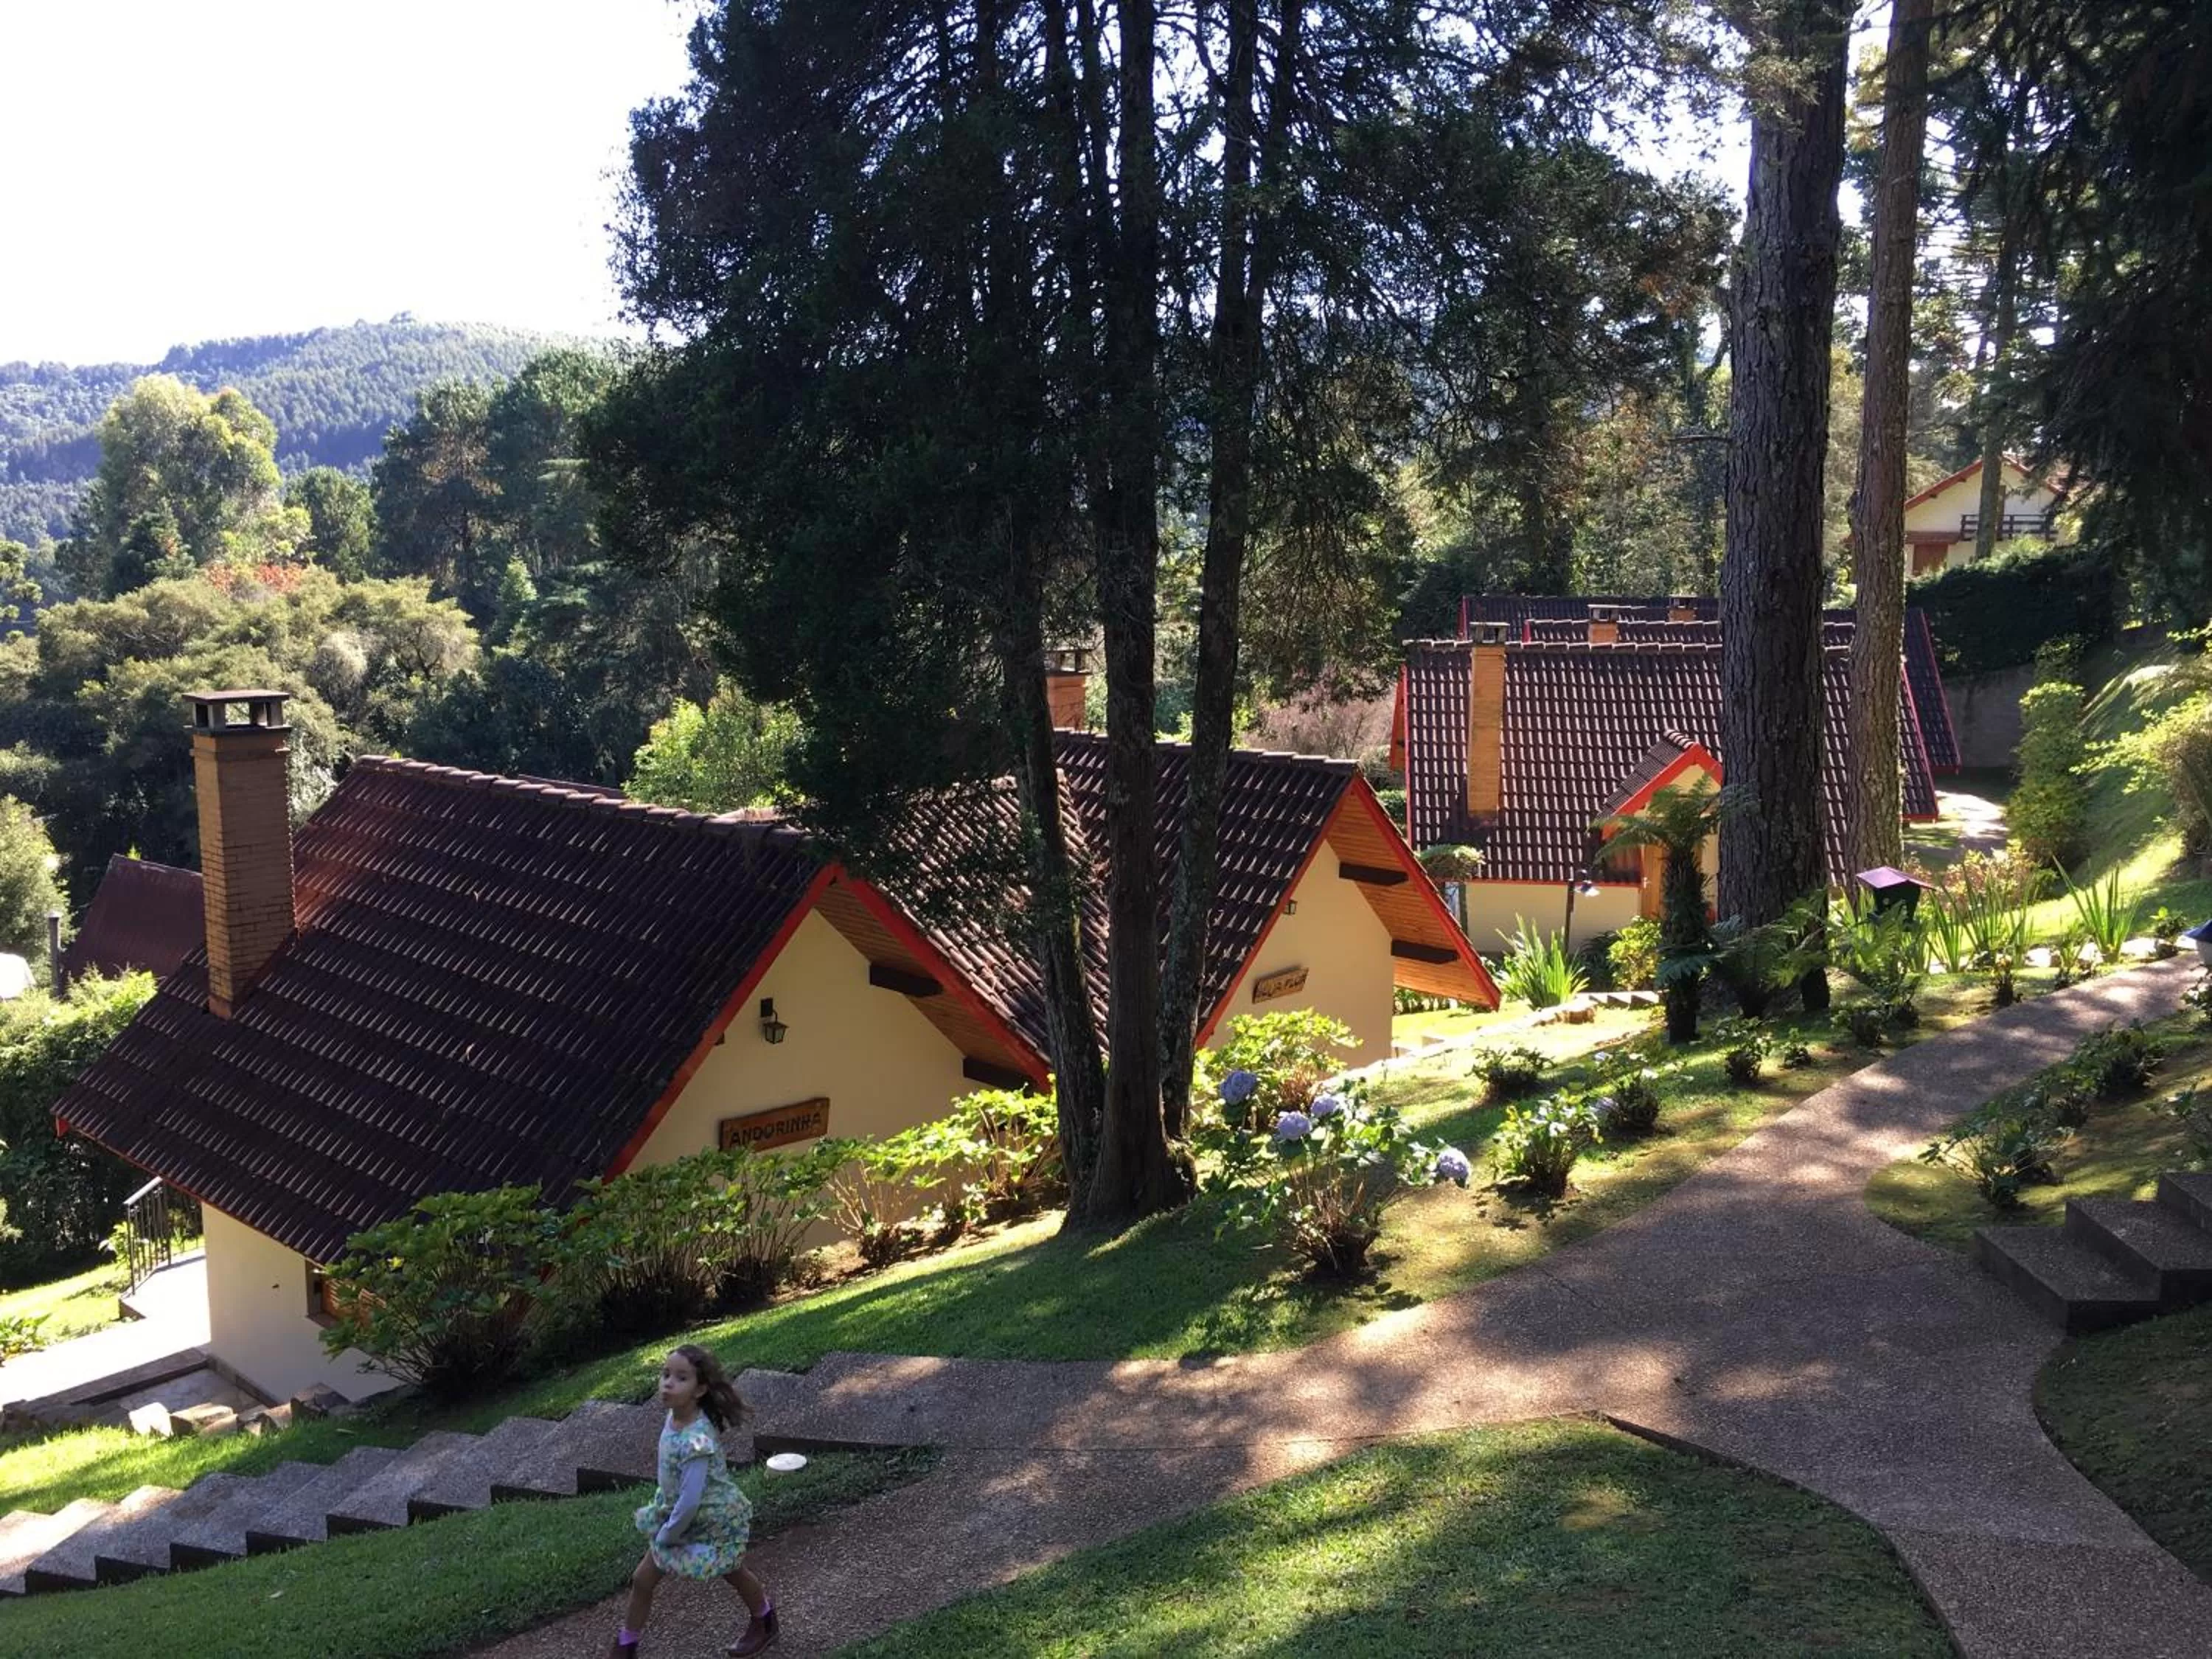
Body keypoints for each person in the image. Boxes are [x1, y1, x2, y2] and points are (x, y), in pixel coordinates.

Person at [610, 1343, 779, 1656]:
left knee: (733, 1571)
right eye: (665, 1374)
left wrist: (667, 1534)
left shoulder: (697, 1439)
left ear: (700, 1389)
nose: (668, 1383)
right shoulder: (675, 1417)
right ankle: (626, 1644)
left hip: (711, 1518)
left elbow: (691, 1499)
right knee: (643, 1579)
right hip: (680, 1515)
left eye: (681, 1378)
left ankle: (765, 1620)